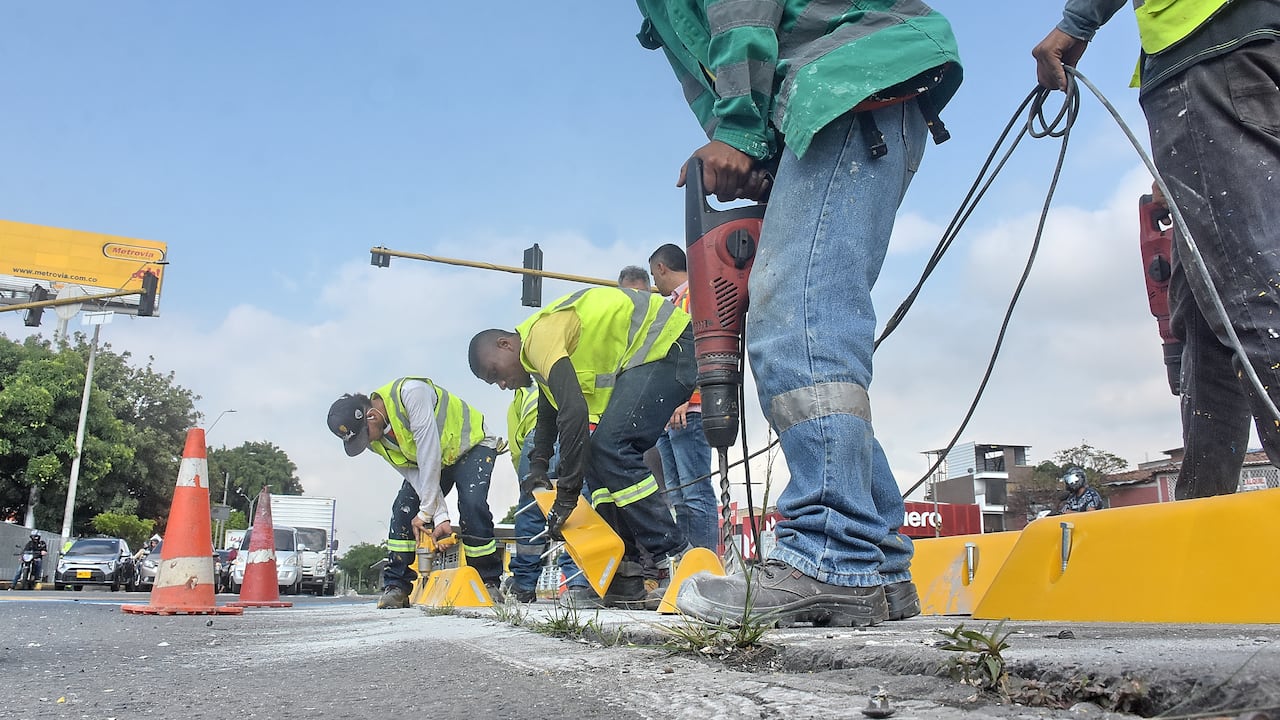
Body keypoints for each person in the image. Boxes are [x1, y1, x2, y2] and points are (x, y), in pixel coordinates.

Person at [634, 2, 961, 627]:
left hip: (846, 79)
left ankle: (831, 553)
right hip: (833, 94)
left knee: (799, 313)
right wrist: (756, 148)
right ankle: (878, 562)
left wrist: (739, 130)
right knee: (799, 313)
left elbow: (741, 12)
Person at [1033, 2, 1280, 500]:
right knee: (1206, 319)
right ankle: (1202, 520)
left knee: (1250, 294)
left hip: (1204, 50)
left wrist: (1078, 24)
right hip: (1249, 50)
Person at [468, 286, 694, 609]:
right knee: (598, 460)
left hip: (670, 345)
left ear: (505, 344)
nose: (503, 384)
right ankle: (625, 573)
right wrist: (538, 465)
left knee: (611, 447)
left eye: (496, 373)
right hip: (647, 359)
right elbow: (550, 413)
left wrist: (567, 494)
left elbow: (572, 413)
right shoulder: (539, 359)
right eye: (495, 383)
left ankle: (675, 556)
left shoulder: (539, 339)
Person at [328, 378, 504, 609]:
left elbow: (428, 452)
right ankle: (397, 586)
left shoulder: (412, 393)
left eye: (365, 434)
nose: (367, 441)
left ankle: (486, 581)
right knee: (403, 509)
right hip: (434, 463)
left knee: (472, 503)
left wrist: (427, 511)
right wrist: (439, 517)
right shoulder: (374, 440)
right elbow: (415, 475)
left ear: (371, 416)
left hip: (471, 446)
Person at [648, 243, 717, 551]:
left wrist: (684, 398)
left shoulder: (692, 298)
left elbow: (698, 350)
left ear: (662, 268)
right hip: (674, 412)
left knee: (694, 492)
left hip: (689, 409)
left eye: (654, 274)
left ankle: (703, 567)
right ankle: (691, 564)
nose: (655, 282)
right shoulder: (678, 302)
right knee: (679, 495)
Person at [504, 384, 592, 603]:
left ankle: (524, 585)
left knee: (531, 511)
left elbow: (517, 449)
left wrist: (528, 475)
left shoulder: (521, 395)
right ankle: (577, 584)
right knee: (577, 507)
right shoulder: (557, 374)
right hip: (579, 428)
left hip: (539, 438)